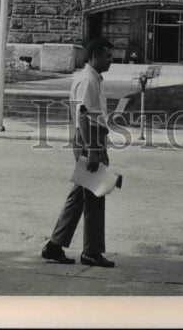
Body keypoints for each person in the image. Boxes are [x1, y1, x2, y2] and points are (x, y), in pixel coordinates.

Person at [41, 37, 116, 268]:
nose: (111, 61)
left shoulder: (94, 79)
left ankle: (55, 245)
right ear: (95, 56)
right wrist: (93, 151)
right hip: (89, 141)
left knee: (79, 196)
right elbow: (83, 116)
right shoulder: (87, 81)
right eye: (108, 56)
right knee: (95, 198)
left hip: (93, 139)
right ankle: (92, 251)